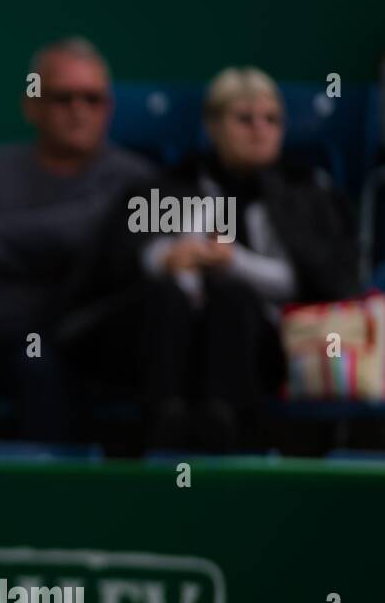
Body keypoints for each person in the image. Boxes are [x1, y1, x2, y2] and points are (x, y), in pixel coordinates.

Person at [63, 67, 360, 451]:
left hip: (263, 343)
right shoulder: (167, 186)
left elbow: (329, 282)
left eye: (271, 119)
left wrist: (235, 263)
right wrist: (163, 257)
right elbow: (113, 263)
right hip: (163, 336)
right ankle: (162, 432)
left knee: (231, 298)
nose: (259, 129)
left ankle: (228, 431)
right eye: (244, 119)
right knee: (166, 297)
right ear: (213, 125)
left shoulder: (307, 192)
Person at [0, 37, 154, 440]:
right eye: (62, 98)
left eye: (92, 99)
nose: (78, 111)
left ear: (109, 108)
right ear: (32, 104)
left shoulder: (134, 180)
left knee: (44, 362)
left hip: (78, 347)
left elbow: (103, 252)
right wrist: (60, 249)